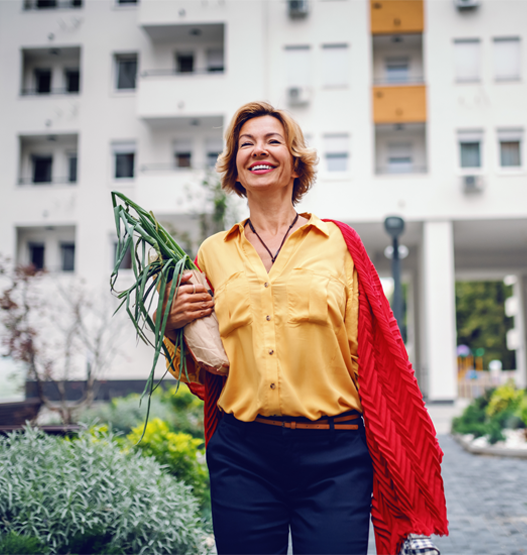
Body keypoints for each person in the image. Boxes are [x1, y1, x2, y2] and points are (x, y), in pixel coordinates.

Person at [161, 101, 447, 555]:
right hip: (243, 454)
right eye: (246, 143)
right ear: (235, 164)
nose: (259, 150)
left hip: (333, 457)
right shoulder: (213, 253)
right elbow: (202, 366)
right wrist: (174, 325)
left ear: (295, 160)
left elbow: (371, 352)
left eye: (273, 141)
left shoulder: (338, 244)